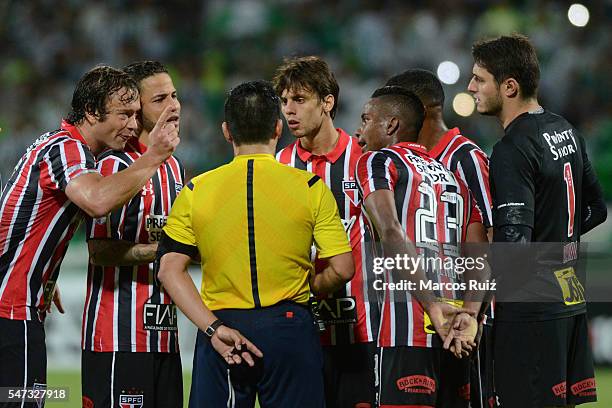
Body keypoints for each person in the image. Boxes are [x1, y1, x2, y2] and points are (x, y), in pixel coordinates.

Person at [157, 80, 354, 407]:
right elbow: (343, 268)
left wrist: (212, 328)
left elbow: (168, 270)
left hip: (222, 329)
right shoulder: (309, 186)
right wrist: (311, 287)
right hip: (290, 327)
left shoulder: (196, 190)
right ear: (278, 128)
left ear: (226, 132)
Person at [0, 66, 178, 404]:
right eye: (124, 114)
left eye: (136, 114)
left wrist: (41, 272)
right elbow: (97, 201)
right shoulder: (68, 149)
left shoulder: (56, 145)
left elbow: (20, 216)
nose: (131, 124)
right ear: (92, 112)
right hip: (12, 314)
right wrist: (154, 155)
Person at [468, 34, 607, 407]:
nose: (471, 87)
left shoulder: (511, 150)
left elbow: (515, 248)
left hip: (531, 312)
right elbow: (597, 208)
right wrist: (557, 246)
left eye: (479, 79)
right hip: (569, 297)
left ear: (509, 86)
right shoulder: (565, 129)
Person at [355, 86, 489, 408]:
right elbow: (482, 253)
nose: (359, 132)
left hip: (405, 330)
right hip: (456, 335)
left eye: (367, 119)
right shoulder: (454, 178)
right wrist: (470, 314)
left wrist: (430, 305)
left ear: (390, 125)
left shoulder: (377, 162)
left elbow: (391, 231)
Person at [273, 55, 378, 407]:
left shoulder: (363, 161)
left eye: (299, 100)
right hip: (301, 331)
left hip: (361, 326)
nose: (289, 110)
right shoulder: (279, 165)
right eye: (285, 101)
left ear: (328, 102)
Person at [81, 61, 185, 408]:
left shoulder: (173, 168)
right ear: (136, 111)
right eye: (160, 100)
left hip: (166, 336)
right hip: (118, 338)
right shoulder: (115, 166)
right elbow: (98, 250)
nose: (174, 105)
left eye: (174, 95)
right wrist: (158, 252)